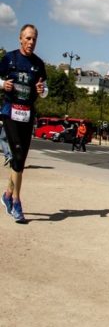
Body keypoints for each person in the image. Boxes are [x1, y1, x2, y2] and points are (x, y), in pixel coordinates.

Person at [1, 24, 48, 223]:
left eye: (34, 39)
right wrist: (3, 84)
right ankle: (17, 203)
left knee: (19, 161)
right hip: (10, 113)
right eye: (28, 38)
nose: (31, 42)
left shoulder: (38, 64)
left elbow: (45, 90)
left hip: (27, 116)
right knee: (18, 155)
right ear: (20, 39)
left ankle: (6, 194)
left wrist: (41, 91)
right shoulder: (9, 59)